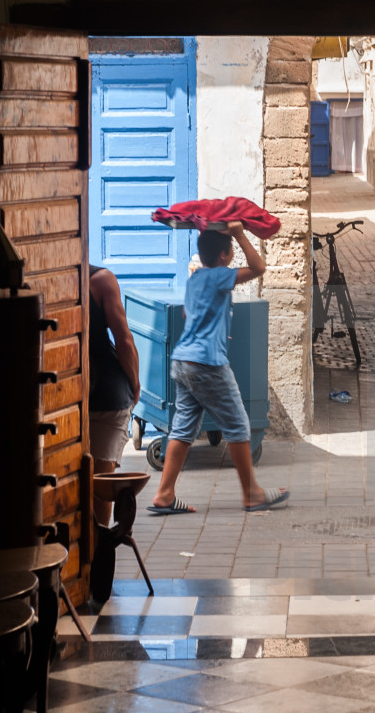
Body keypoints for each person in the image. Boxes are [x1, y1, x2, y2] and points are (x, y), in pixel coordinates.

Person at [149, 221, 288, 514]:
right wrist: (239, 232)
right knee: (238, 425)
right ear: (225, 255)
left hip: (183, 361)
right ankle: (252, 493)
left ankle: (164, 493)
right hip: (208, 364)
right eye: (232, 249)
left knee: (183, 428)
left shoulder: (196, 279)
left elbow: (190, 313)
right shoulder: (218, 276)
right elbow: (258, 267)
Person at [88, 265, 142, 525]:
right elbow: (124, 340)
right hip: (107, 396)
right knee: (101, 486)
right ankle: (98, 554)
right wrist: (135, 382)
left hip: (64, 395)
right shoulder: (100, 280)